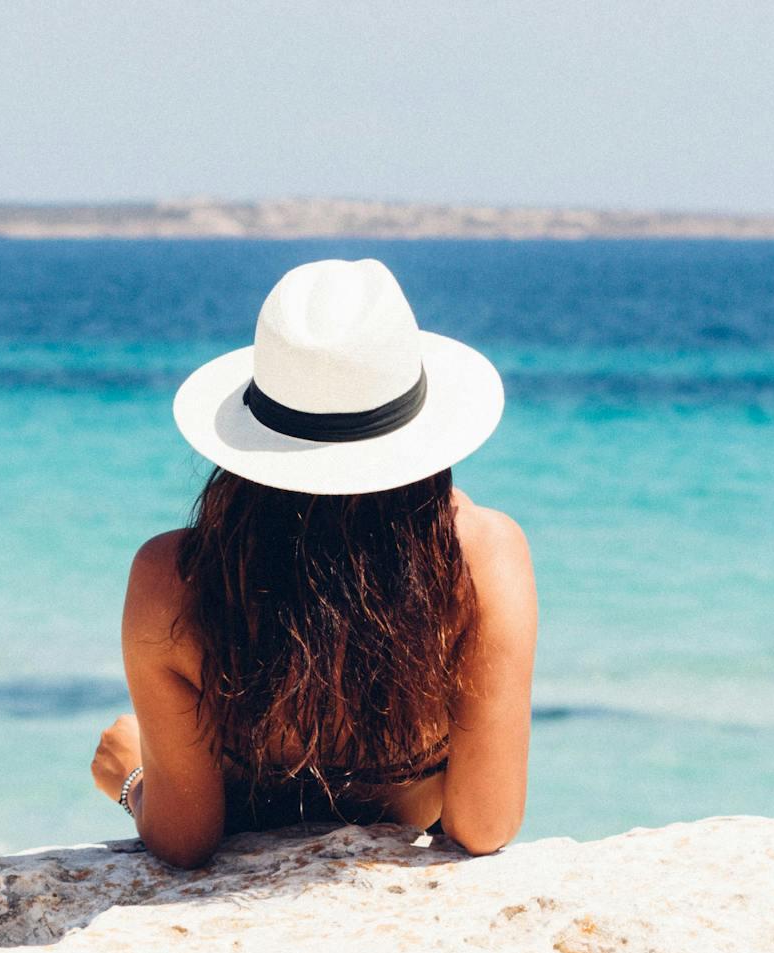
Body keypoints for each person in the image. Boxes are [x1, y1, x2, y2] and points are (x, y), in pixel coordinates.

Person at [89, 258, 537, 867]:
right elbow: (484, 825)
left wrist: (131, 774)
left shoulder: (174, 577)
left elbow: (185, 840)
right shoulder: (482, 557)